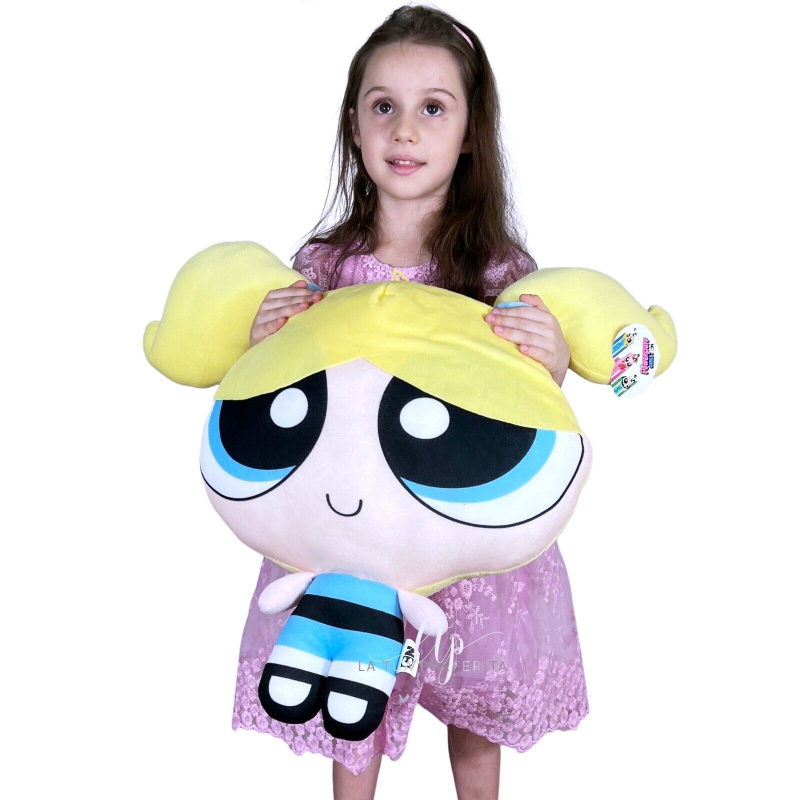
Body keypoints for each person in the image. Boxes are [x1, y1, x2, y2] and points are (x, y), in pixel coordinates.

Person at [236, 6, 587, 799]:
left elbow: (523, 417)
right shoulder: (323, 269)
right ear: (353, 124)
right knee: (351, 706)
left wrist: (554, 362)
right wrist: (263, 343)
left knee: (475, 721)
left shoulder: (498, 273)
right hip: (354, 537)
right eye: (383, 105)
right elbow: (289, 399)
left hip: (461, 545)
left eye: (433, 107)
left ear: (467, 134)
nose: (404, 130)